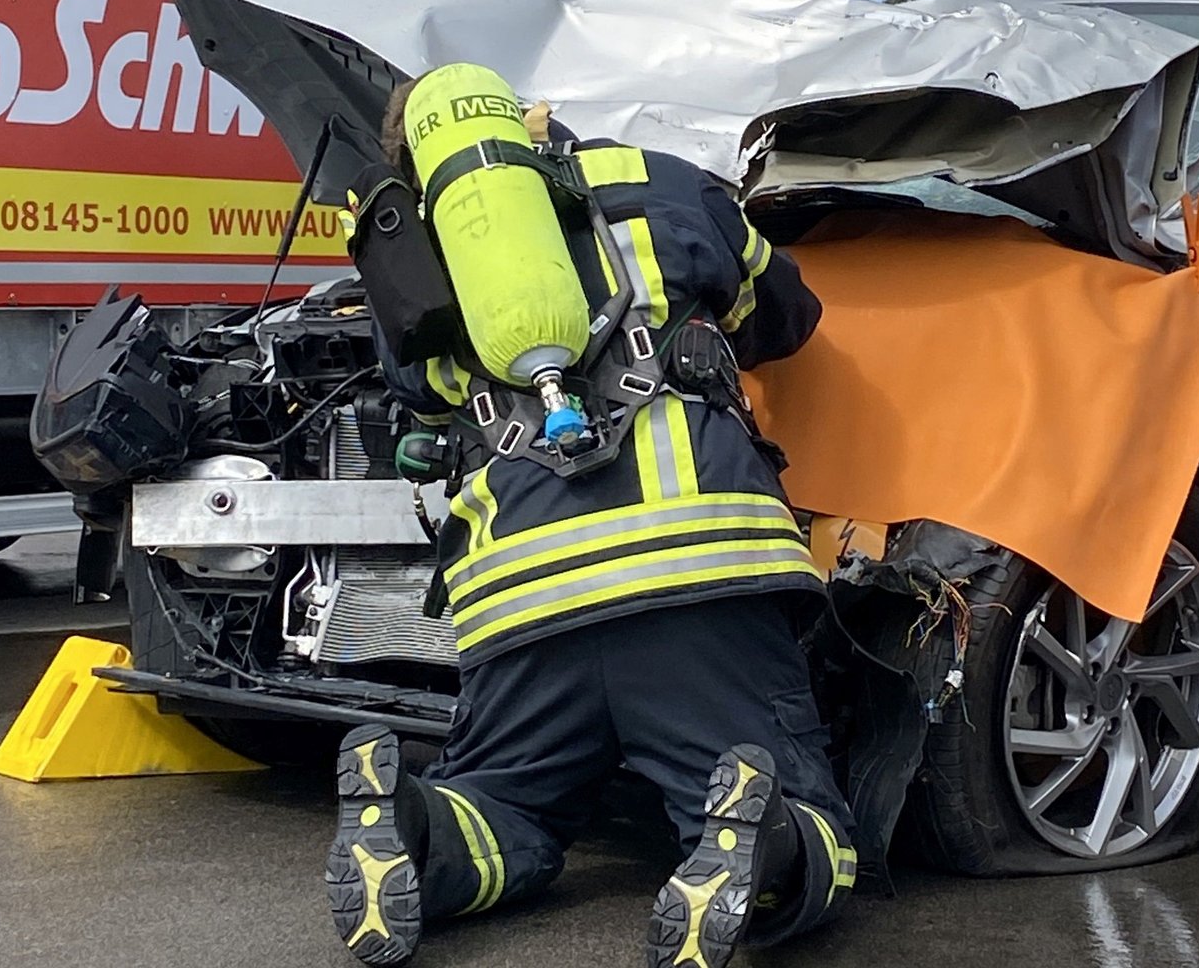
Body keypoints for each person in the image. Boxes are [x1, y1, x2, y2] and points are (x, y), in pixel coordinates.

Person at [325, 65, 857, 968]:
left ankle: (414, 824)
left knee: (504, 803)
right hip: (698, 568)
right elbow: (786, 311)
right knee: (807, 815)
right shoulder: (661, 180)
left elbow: (414, 395)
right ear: (525, 119)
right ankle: (758, 840)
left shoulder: (410, 255)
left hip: (520, 596)